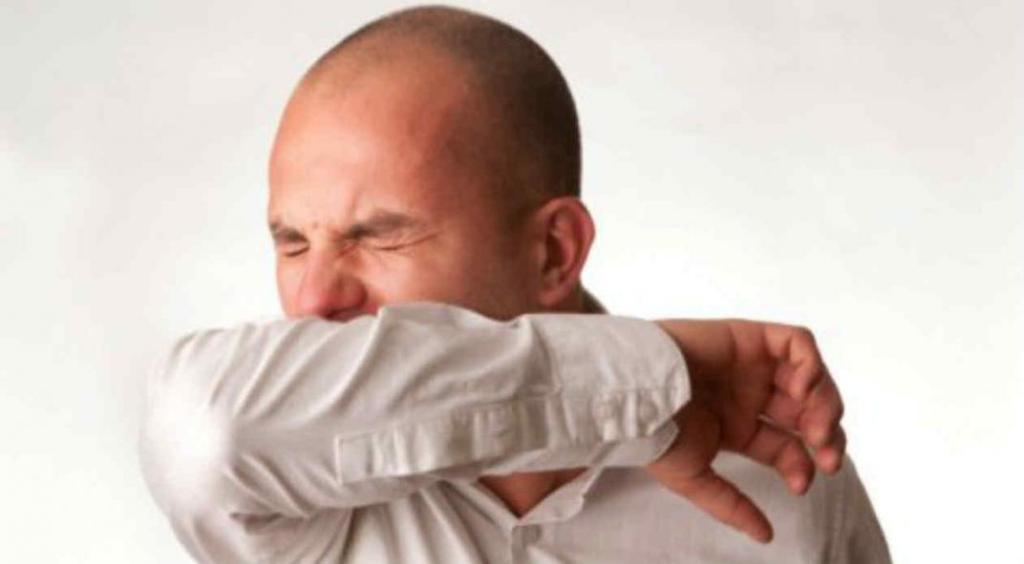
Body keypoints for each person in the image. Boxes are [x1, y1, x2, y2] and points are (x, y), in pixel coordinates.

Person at [140, 5, 889, 563]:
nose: (312, 299)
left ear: (554, 252)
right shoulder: (297, 497)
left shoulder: (784, 490)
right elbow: (202, 430)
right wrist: (652, 387)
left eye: (380, 235)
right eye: (293, 243)